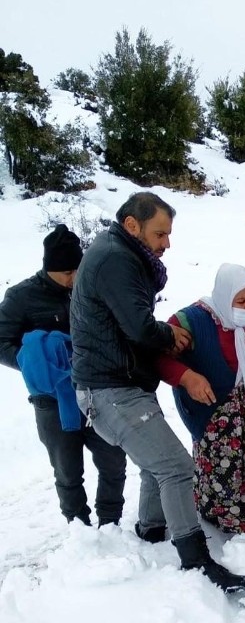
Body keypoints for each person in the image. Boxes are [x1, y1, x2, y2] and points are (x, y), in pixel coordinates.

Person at [70, 192, 245, 594]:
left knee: (159, 463)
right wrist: (168, 334)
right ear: (132, 225)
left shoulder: (117, 253)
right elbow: (138, 327)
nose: (166, 243)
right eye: (160, 233)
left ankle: (151, 531)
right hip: (110, 388)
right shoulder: (116, 258)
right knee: (177, 467)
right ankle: (195, 558)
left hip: (120, 383)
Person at [0, 224, 127, 527]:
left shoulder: (91, 287)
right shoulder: (21, 297)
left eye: (77, 269)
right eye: (67, 273)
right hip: (51, 398)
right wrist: (34, 362)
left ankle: (110, 523)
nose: (74, 278)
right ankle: (79, 529)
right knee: (67, 471)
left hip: (96, 390)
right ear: (49, 269)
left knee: (114, 460)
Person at [157, 263, 245, 539]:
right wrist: (186, 377)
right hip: (214, 415)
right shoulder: (191, 321)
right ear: (225, 297)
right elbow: (159, 356)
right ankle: (225, 520)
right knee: (224, 472)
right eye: (241, 301)